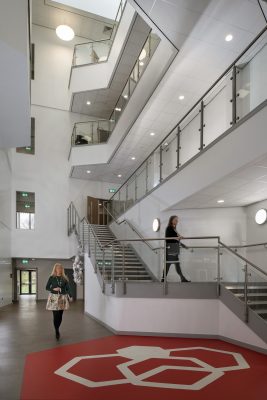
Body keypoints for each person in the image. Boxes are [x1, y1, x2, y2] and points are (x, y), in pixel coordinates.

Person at [46, 263, 72, 339]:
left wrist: (70, 295)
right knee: (55, 314)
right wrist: (53, 289)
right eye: (58, 268)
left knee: (60, 315)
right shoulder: (51, 277)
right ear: (55, 269)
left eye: (60, 268)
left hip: (62, 297)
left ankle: (57, 327)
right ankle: (56, 330)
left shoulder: (65, 278)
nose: (59, 269)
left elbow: (68, 288)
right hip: (53, 297)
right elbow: (47, 287)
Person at [161, 215, 190, 283]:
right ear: (171, 220)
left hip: (174, 248)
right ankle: (181, 278)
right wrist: (179, 237)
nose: (177, 221)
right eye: (175, 220)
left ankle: (181, 278)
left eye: (177, 220)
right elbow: (169, 238)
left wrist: (182, 244)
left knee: (175, 264)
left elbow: (176, 239)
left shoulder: (173, 228)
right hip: (171, 248)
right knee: (170, 264)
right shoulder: (169, 228)